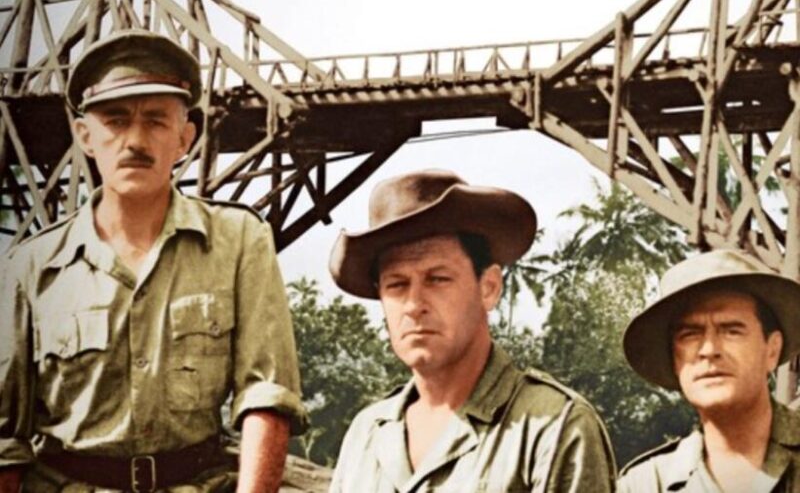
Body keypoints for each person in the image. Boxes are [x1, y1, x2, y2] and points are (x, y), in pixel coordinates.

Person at [0, 31, 306, 493]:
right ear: (85, 136)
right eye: (116, 121)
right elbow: (5, 442)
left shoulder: (239, 241)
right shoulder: (31, 266)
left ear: (185, 138)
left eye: (156, 121)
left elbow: (267, 396)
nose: (135, 141)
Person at [327, 169, 616, 492]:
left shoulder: (552, 427)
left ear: (489, 288)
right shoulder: (366, 435)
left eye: (437, 279)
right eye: (397, 284)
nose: (414, 304)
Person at [618, 249, 800, 492]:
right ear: (675, 360)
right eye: (690, 335)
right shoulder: (646, 485)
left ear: (772, 350)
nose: (709, 350)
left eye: (732, 331)